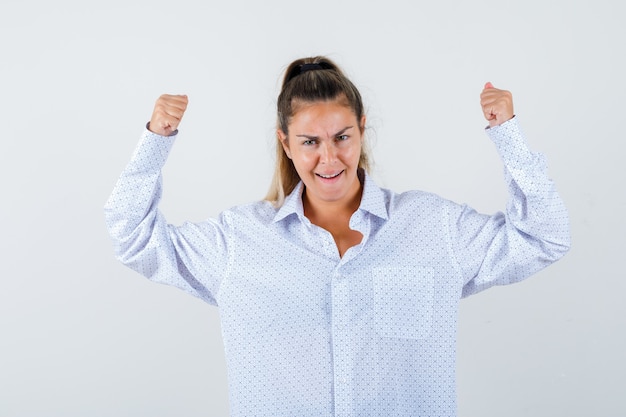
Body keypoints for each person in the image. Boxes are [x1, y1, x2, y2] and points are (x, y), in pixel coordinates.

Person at [104, 56, 570, 416]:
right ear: (285, 142)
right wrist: (157, 139)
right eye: (310, 142)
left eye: (342, 137)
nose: (329, 158)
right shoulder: (238, 242)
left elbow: (544, 237)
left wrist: (508, 136)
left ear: (362, 131)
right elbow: (133, 237)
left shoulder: (432, 228)